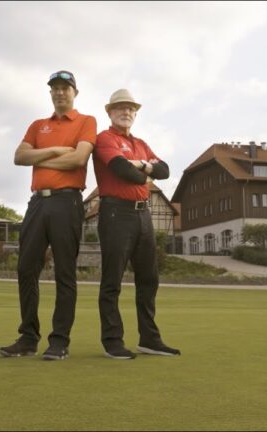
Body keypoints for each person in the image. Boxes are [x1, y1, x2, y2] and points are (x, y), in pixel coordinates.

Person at [0, 70, 96, 361]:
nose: (59, 92)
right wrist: (55, 150)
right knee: (26, 268)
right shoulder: (38, 125)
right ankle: (28, 338)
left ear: (74, 92)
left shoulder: (86, 121)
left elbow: (79, 158)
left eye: (65, 88)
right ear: (50, 93)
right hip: (37, 204)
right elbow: (19, 157)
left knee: (65, 272)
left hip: (67, 202)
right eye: (54, 88)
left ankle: (59, 341)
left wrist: (40, 158)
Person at [92, 88, 180, 359]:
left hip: (144, 215)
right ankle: (112, 341)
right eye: (120, 108)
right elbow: (122, 171)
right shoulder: (104, 138)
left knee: (149, 279)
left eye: (131, 109)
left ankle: (149, 339)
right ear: (110, 112)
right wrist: (144, 171)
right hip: (116, 213)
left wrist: (140, 163)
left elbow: (164, 170)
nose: (126, 112)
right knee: (112, 280)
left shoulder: (141, 143)